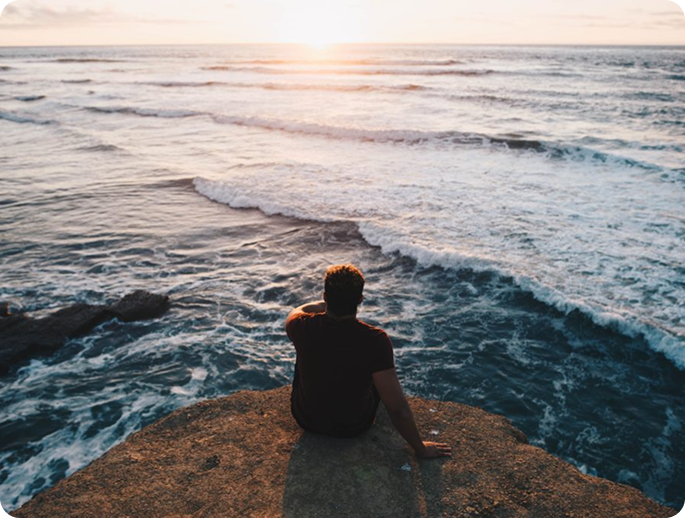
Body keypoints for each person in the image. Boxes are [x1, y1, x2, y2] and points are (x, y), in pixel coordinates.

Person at [285, 263, 451, 459]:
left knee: (306, 353)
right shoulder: (375, 340)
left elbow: (297, 310)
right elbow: (397, 408)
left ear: (325, 296)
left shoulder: (300, 326)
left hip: (306, 419)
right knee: (376, 374)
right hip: (353, 426)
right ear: (360, 300)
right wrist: (420, 448)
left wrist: (325, 305)